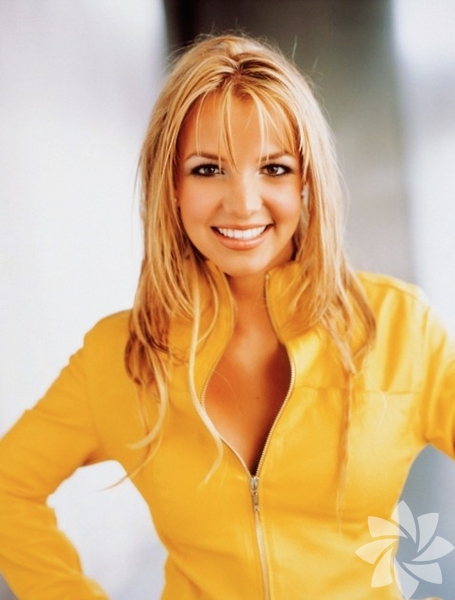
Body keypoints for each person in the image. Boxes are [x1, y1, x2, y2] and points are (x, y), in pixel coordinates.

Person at [0, 32, 453, 600]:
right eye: (208, 169)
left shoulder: (401, 327)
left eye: (274, 168)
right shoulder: (121, 357)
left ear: (307, 180)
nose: (242, 203)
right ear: (171, 185)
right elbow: (8, 488)